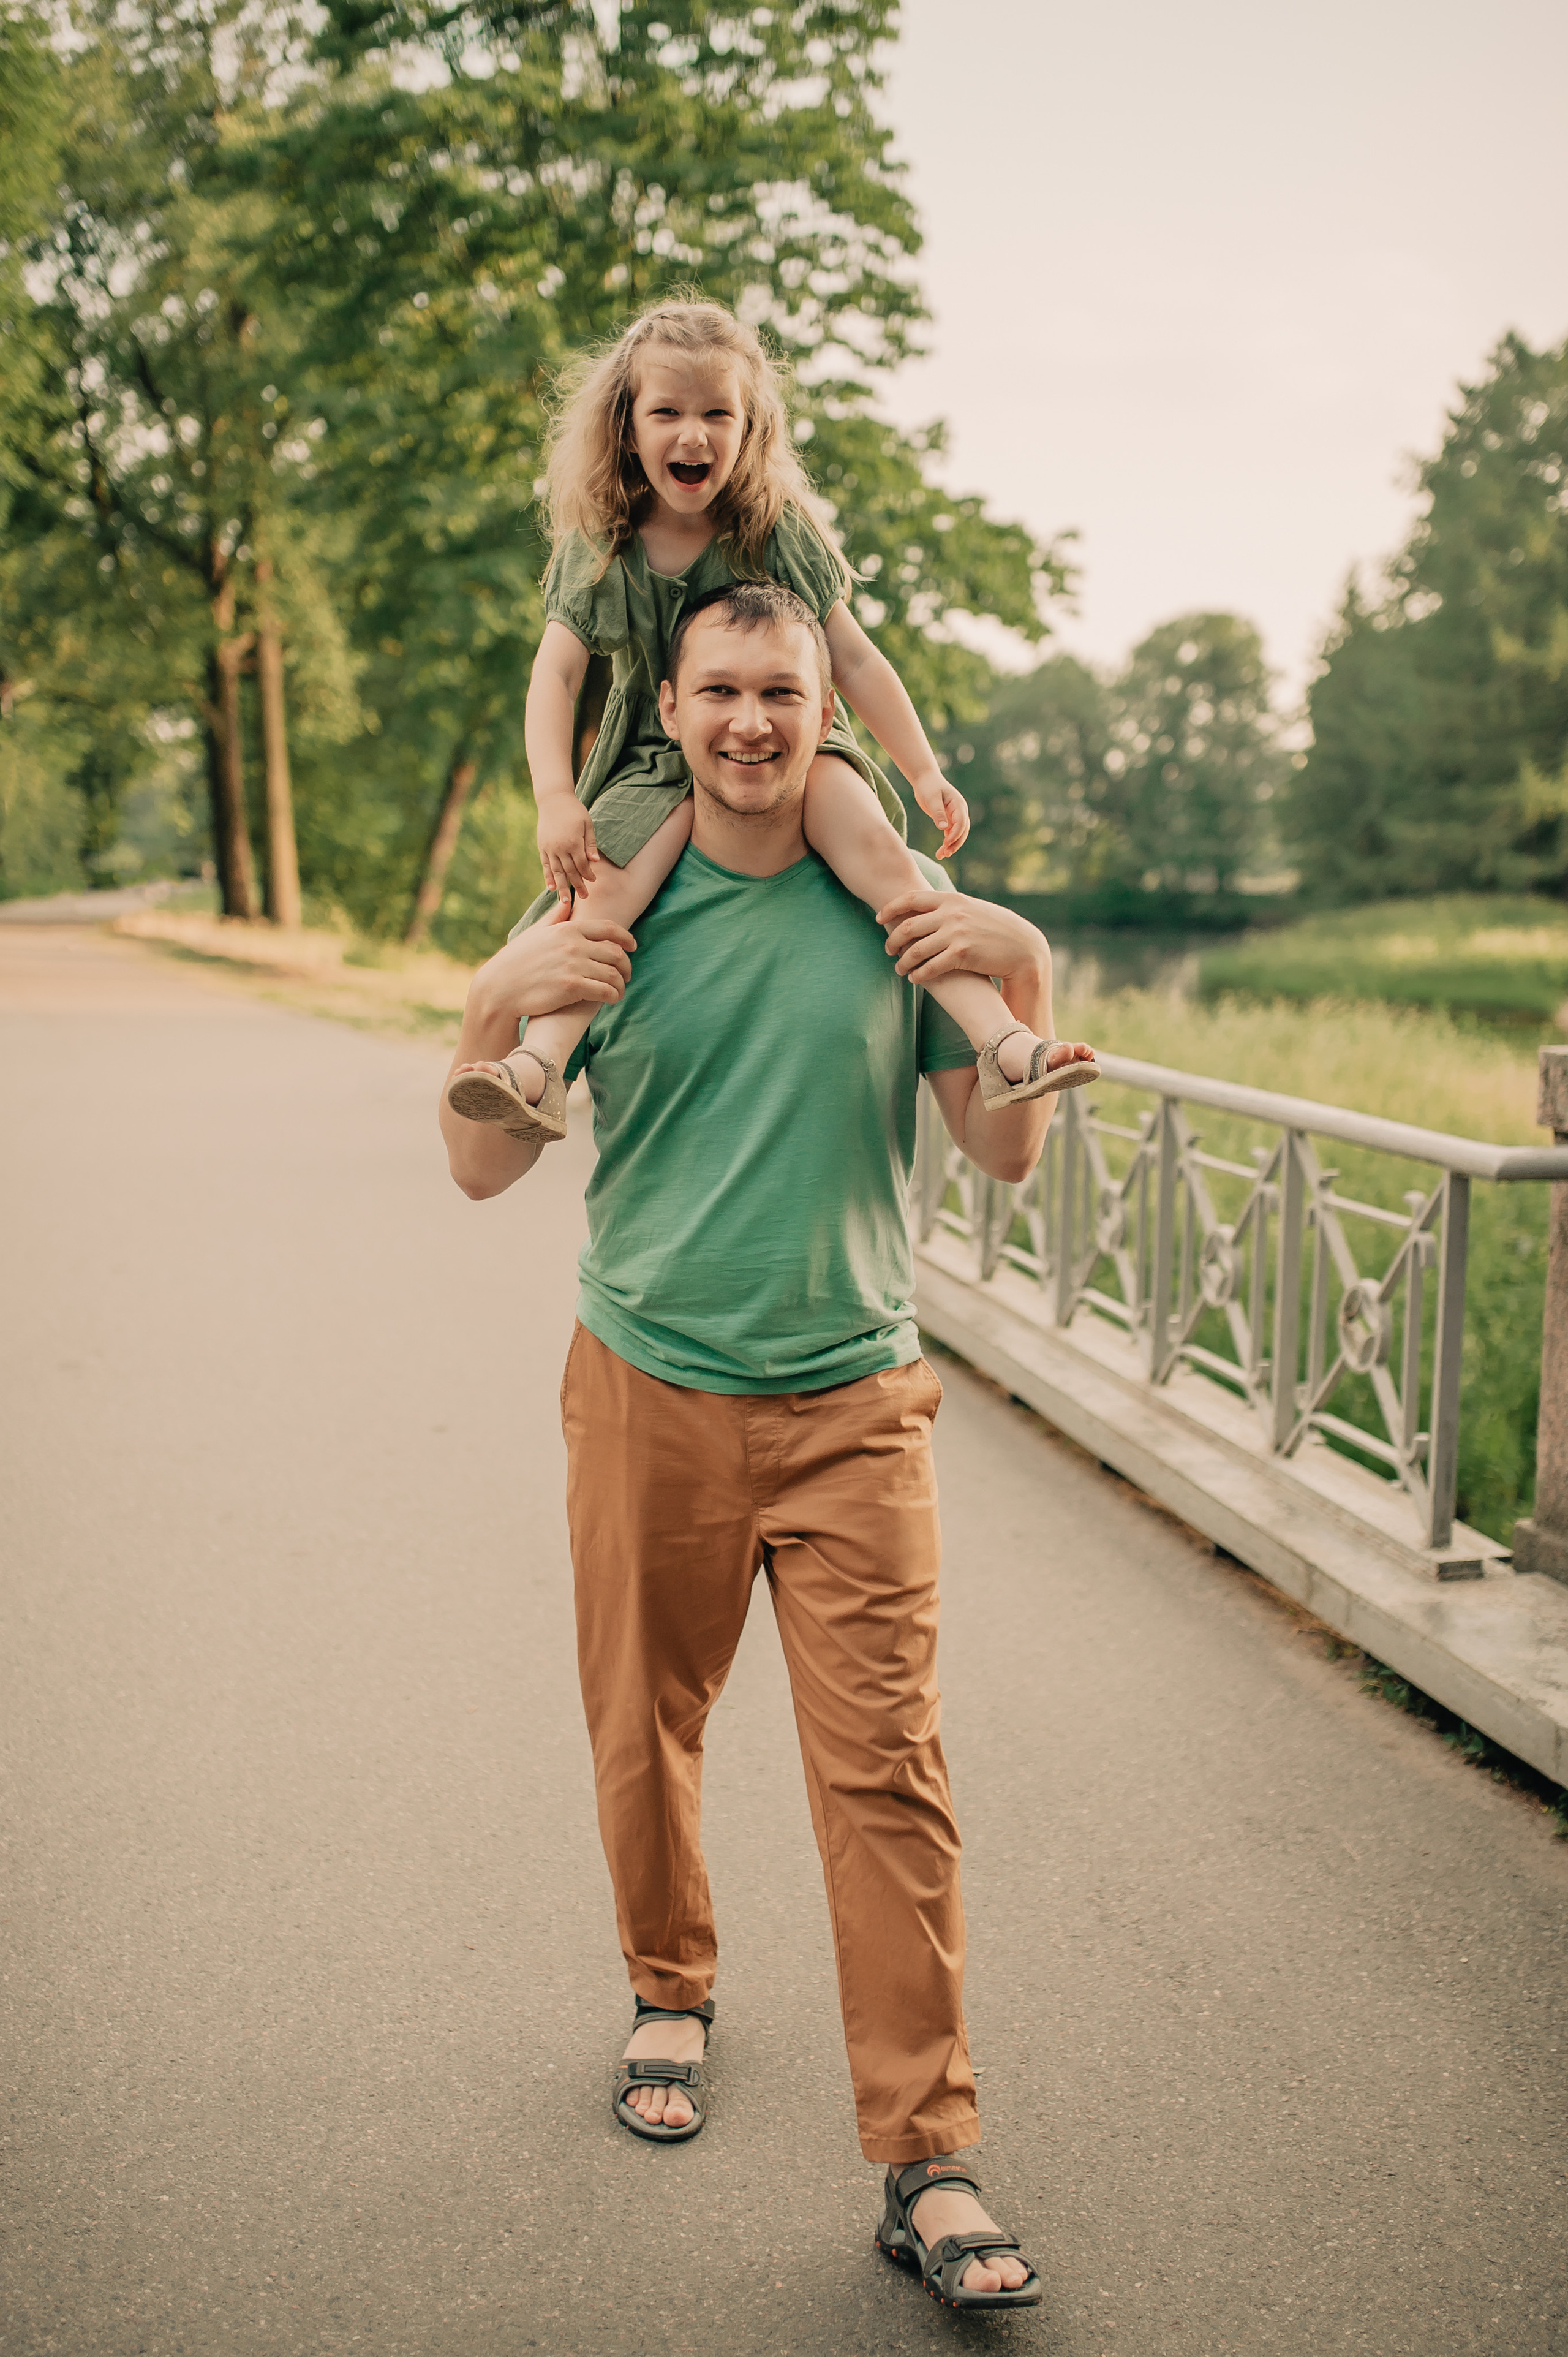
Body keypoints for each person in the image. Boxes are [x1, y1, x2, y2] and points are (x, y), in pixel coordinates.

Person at [439, 578, 1096, 2313]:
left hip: (856, 1406)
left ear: (828, 710)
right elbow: (480, 1166)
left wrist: (1023, 966)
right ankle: (670, 1987)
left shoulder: (895, 909)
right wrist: (493, 994)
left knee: (891, 1776)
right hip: (647, 1384)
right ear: (676, 697)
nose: (749, 723)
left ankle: (929, 2158)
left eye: (782, 696)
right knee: (646, 1729)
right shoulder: (610, 903)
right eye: (719, 690)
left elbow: (1007, 1158)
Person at [445, 297, 1098, 1151]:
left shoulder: (771, 530)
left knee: (883, 864)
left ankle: (1003, 1043)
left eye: (719, 413)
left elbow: (855, 661)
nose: (695, 434)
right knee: (601, 897)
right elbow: (557, 673)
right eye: (668, 412)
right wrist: (555, 798)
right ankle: (539, 1069)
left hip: (798, 746)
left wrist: (921, 768)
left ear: (750, 428)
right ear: (627, 426)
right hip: (654, 752)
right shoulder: (604, 542)